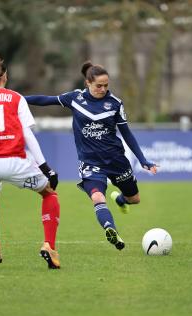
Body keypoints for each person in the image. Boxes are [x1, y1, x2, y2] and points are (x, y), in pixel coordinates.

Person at [24, 61, 157, 251]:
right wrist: (18, 99)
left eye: (106, 85)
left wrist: (143, 160)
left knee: (134, 199)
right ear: (88, 83)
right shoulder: (75, 99)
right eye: (99, 86)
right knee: (97, 197)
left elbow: (127, 134)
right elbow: (47, 100)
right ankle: (110, 228)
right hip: (90, 162)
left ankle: (120, 200)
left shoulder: (115, 104)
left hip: (116, 160)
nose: (103, 89)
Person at [0, 51, 61, 269]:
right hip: (15, 161)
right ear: (4, 76)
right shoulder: (16, 98)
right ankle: (49, 246)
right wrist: (46, 168)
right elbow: (28, 135)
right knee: (48, 194)